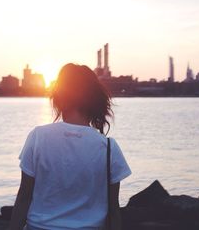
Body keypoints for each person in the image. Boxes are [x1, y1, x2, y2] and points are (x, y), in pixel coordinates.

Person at [9, 63, 131, 230]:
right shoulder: (108, 148)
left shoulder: (38, 137)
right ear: (94, 100)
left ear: (59, 97)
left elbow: (24, 197)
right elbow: (113, 210)